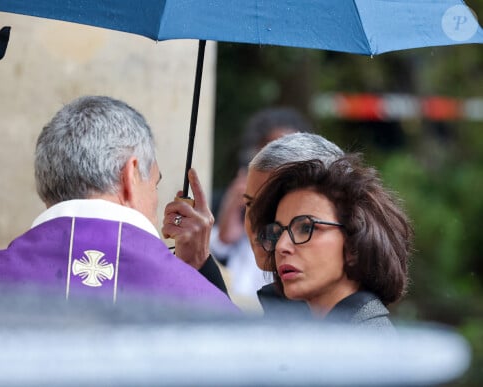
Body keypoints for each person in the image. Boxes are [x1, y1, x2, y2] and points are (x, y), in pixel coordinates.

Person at [0, 96, 238, 313]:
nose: (156, 201)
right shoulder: (205, 309)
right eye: (154, 184)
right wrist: (196, 275)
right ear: (130, 174)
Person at [164, 132, 344, 315]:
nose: (256, 220)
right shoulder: (287, 299)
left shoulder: (361, 323)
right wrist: (198, 261)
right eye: (249, 204)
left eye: (271, 205)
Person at [249, 154, 413, 328]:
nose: (281, 246)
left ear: (354, 245)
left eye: (306, 228)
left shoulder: (369, 342)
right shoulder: (316, 337)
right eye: (277, 233)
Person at [210, 107, 313, 307]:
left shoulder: (312, 206)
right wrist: (229, 219)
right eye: (271, 153)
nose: (279, 164)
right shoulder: (229, 200)